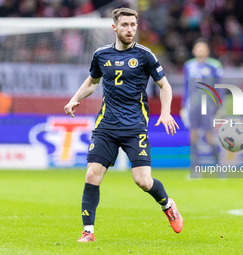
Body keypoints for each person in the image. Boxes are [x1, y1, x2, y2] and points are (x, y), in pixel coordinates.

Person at [64, 7, 183, 242]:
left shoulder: (145, 55)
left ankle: (168, 204)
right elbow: (92, 81)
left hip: (135, 127)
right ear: (114, 27)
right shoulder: (101, 55)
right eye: (125, 25)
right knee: (92, 175)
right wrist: (75, 99)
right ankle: (88, 232)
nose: (130, 29)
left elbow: (165, 86)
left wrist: (167, 112)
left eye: (133, 25)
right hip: (106, 126)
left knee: (143, 181)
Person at [181, 38, 223, 172]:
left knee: (209, 136)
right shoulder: (188, 65)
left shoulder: (214, 65)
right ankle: (195, 168)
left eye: (203, 48)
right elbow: (185, 86)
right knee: (193, 135)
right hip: (192, 105)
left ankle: (219, 166)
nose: (200, 50)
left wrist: (218, 105)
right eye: (198, 48)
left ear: (207, 50)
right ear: (194, 50)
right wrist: (183, 105)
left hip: (208, 105)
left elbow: (219, 87)